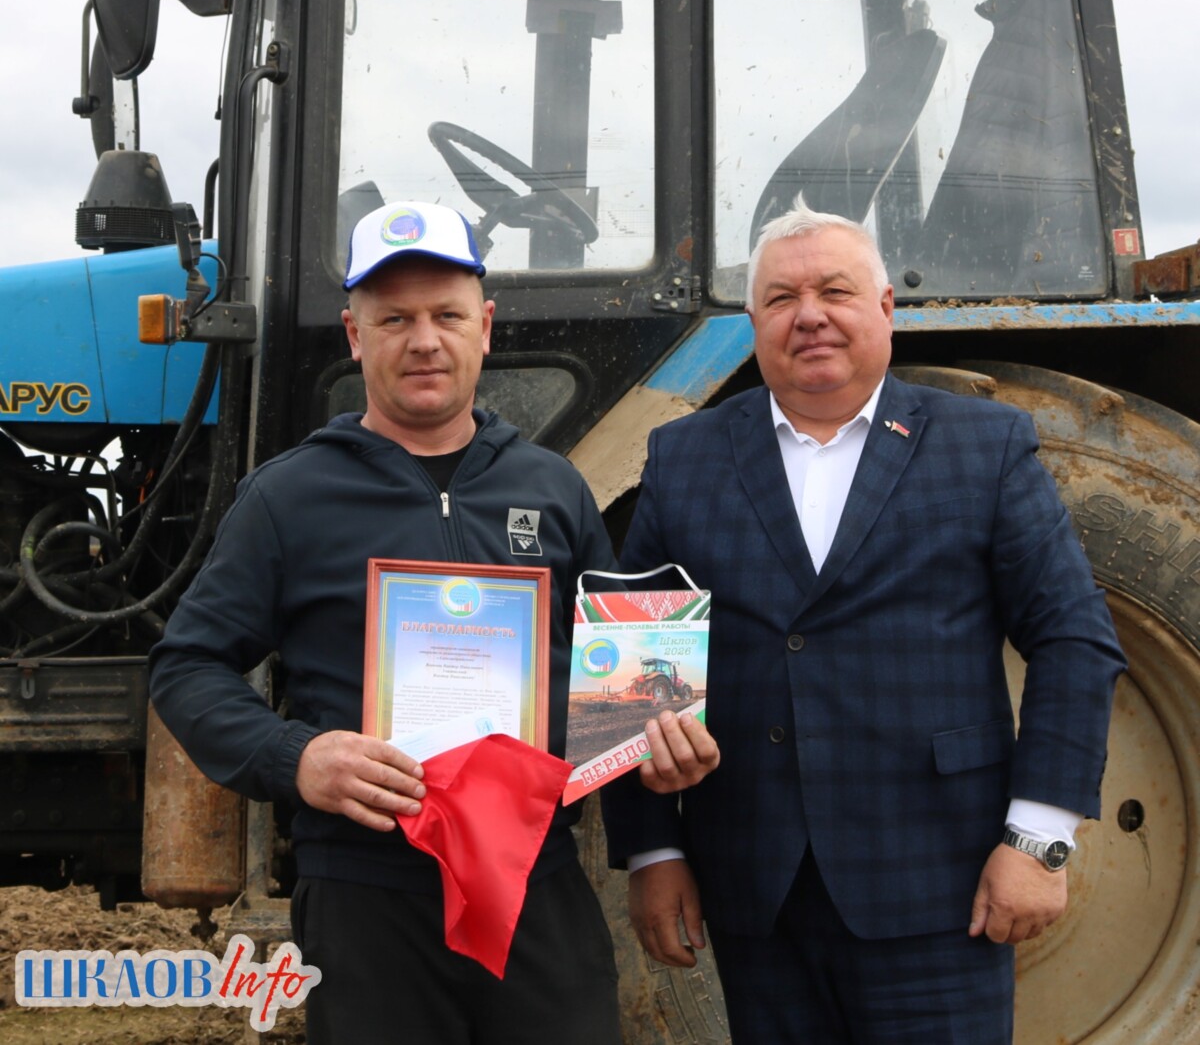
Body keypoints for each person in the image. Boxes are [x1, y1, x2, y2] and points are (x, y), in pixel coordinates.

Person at [148, 200, 718, 1045]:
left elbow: (620, 687)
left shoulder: (555, 489)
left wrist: (657, 773)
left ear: (483, 327)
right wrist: (297, 756)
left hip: (535, 884)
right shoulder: (287, 498)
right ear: (355, 335)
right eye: (395, 319)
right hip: (367, 893)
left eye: (447, 316)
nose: (424, 341)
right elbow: (186, 667)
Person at [601, 198, 1125, 1044]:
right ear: (753, 324)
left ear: (885, 307)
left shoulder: (984, 446)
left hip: (940, 881)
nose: (808, 315)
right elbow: (631, 661)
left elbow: (1073, 639)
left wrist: (1038, 838)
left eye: (835, 291)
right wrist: (653, 852)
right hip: (755, 891)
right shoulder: (683, 455)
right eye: (781, 298)